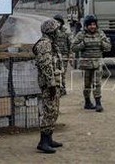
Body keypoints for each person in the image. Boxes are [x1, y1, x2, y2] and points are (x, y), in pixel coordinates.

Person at [33, 19, 64, 154]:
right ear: (51, 31)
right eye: (56, 30)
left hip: (53, 83)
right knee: (49, 111)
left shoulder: (51, 43)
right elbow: (46, 66)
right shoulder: (45, 45)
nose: (58, 32)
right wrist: (51, 84)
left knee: (53, 111)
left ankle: (49, 138)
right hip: (48, 84)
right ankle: (43, 142)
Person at [72, 14, 111, 112]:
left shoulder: (100, 34)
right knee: (87, 84)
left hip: (97, 63)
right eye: (90, 25)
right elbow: (73, 47)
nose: (92, 27)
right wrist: (83, 44)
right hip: (86, 64)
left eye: (94, 24)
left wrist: (102, 43)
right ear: (86, 26)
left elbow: (108, 47)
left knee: (97, 83)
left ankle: (98, 103)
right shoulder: (81, 35)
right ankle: (87, 102)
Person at [53, 14, 73, 95]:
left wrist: (71, 55)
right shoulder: (52, 31)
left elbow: (70, 44)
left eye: (59, 22)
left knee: (62, 72)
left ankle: (63, 88)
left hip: (64, 55)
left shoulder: (66, 32)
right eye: (55, 22)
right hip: (55, 55)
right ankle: (58, 88)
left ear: (61, 23)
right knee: (55, 72)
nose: (57, 23)